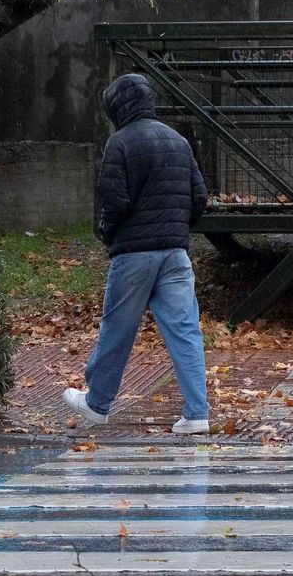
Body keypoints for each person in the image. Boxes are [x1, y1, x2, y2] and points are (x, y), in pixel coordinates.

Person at [65, 72, 211, 435]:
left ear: (118, 107)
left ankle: (98, 403)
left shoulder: (120, 143)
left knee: (118, 328)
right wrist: (177, 227)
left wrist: (107, 232)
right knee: (185, 331)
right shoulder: (179, 141)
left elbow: (114, 201)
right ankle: (197, 413)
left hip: (134, 254)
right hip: (175, 253)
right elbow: (199, 197)